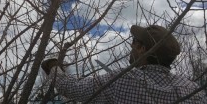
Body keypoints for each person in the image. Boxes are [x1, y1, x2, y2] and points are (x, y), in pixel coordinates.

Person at [41, 25, 207, 103]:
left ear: (142, 48)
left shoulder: (124, 80)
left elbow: (73, 89)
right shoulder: (193, 91)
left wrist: (53, 66)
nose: (131, 45)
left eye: (134, 41)